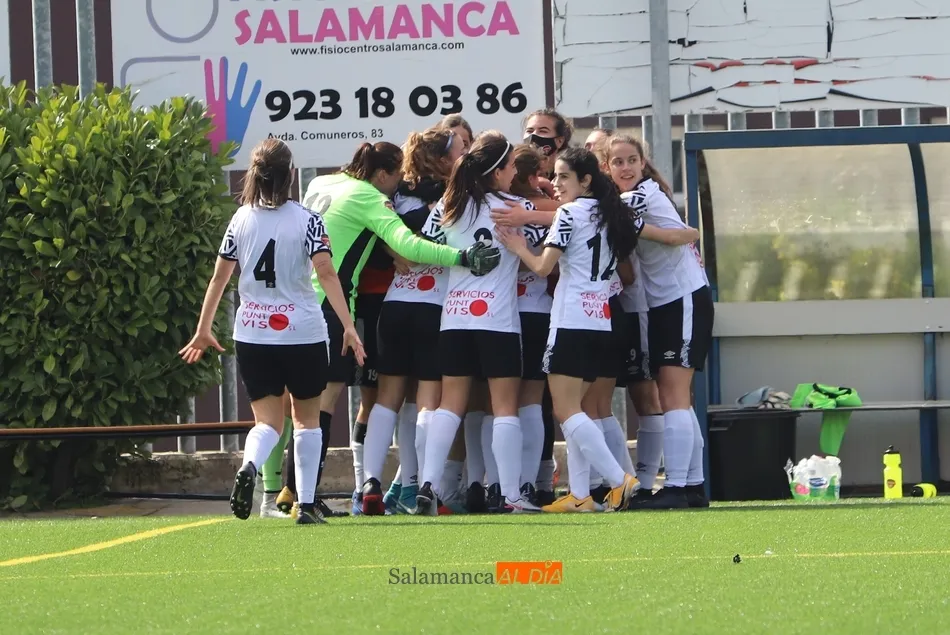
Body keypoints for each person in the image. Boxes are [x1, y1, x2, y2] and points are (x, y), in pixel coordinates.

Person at [275, 141, 502, 518]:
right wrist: (461, 257)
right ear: (382, 174)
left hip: (295, 299)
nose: (399, 185)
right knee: (323, 404)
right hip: (329, 307)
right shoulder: (370, 197)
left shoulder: (322, 185)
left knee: (299, 403)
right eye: (396, 176)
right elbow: (408, 245)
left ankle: (289, 489)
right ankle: (306, 495)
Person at [498, 148, 700, 512]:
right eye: (555, 177)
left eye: (563, 177)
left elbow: (544, 268)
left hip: (571, 317)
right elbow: (652, 250)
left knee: (566, 410)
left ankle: (619, 478)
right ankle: (579, 495)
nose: (556, 184)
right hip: (600, 318)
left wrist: (517, 246)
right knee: (580, 410)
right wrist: (693, 232)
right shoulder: (613, 212)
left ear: (585, 181)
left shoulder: (569, 213)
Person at [179, 138, 365, 525]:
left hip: (253, 333)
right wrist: (348, 326)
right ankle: (307, 504)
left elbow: (218, 279)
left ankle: (249, 465)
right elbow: (327, 273)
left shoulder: (241, 218)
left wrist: (202, 330)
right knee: (307, 420)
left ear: (254, 175)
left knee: (267, 423)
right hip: (302, 332)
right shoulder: (308, 219)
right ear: (291, 175)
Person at [416, 131, 541, 515]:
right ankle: (511, 494)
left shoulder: (449, 206)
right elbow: (541, 250)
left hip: (454, 317)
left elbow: (426, 248)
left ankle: (427, 484)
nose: (513, 173)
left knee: (450, 404)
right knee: (505, 407)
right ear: (498, 170)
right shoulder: (515, 207)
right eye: (510, 167)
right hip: (498, 320)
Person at [359, 125, 466, 515]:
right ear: (442, 160)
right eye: (458, 152)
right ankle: (424, 486)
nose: (463, 158)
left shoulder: (395, 197)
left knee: (386, 400)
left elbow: (377, 238)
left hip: (395, 304)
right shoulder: (455, 196)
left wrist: (390, 250)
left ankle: (370, 484)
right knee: (428, 402)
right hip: (433, 308)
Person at [610, 135, 713, 510]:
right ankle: (693, 486)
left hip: (682, 297)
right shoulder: (633, 197)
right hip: (666, 301)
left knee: (672, 397)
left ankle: (679, 487)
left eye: (631, 160)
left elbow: (590, 214)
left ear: (642, 163)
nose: (625, 168)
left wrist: (524, 215)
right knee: (676, 399)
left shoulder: (638, 195)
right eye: (617, 162)